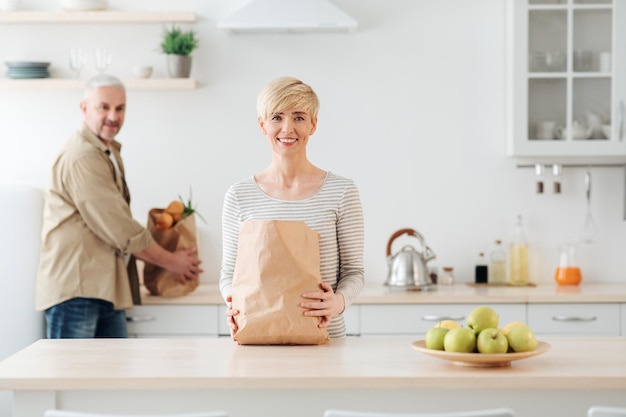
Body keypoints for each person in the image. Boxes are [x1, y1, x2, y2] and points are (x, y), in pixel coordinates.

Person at [36, 74, 203, 339]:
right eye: (104, 107)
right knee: (73, 379)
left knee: (111, 378)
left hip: (105, 288)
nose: (113, 116)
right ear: (84, 108)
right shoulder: (82, 157)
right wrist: (172, 261)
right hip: (78, 292)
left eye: (120, 108)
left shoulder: (107, 151)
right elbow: (119, 227)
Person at [219, 76, 365, 339]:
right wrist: (234, 304)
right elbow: (229, 273)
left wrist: (338, 302)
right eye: (276, 117)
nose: (287, 129)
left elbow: (354, 272)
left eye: (298, 117)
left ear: (313, 124)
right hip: (258, 341)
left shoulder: (341, 191)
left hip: (327, 342)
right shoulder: (239, 196)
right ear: (262, 124)